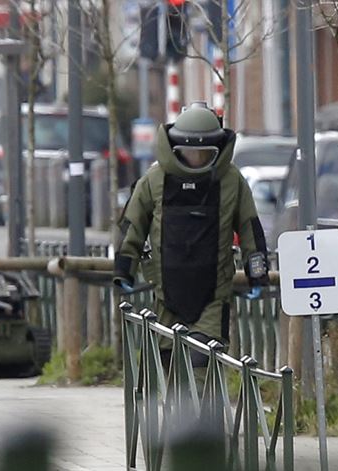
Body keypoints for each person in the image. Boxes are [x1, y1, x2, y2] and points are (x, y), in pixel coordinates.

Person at [113, 101, 269, 379]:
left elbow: (249, 228)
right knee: (169, 368)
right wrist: (123, 269)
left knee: (201, 367)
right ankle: (176, 422)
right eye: (188, 152)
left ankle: (200, 421)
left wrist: (257, 271)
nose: (195, 159)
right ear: (175, 148)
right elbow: (132, 226)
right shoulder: (155, 179)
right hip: (165, 296)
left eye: (203, 154)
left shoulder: (231, 181)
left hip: (212, 296)